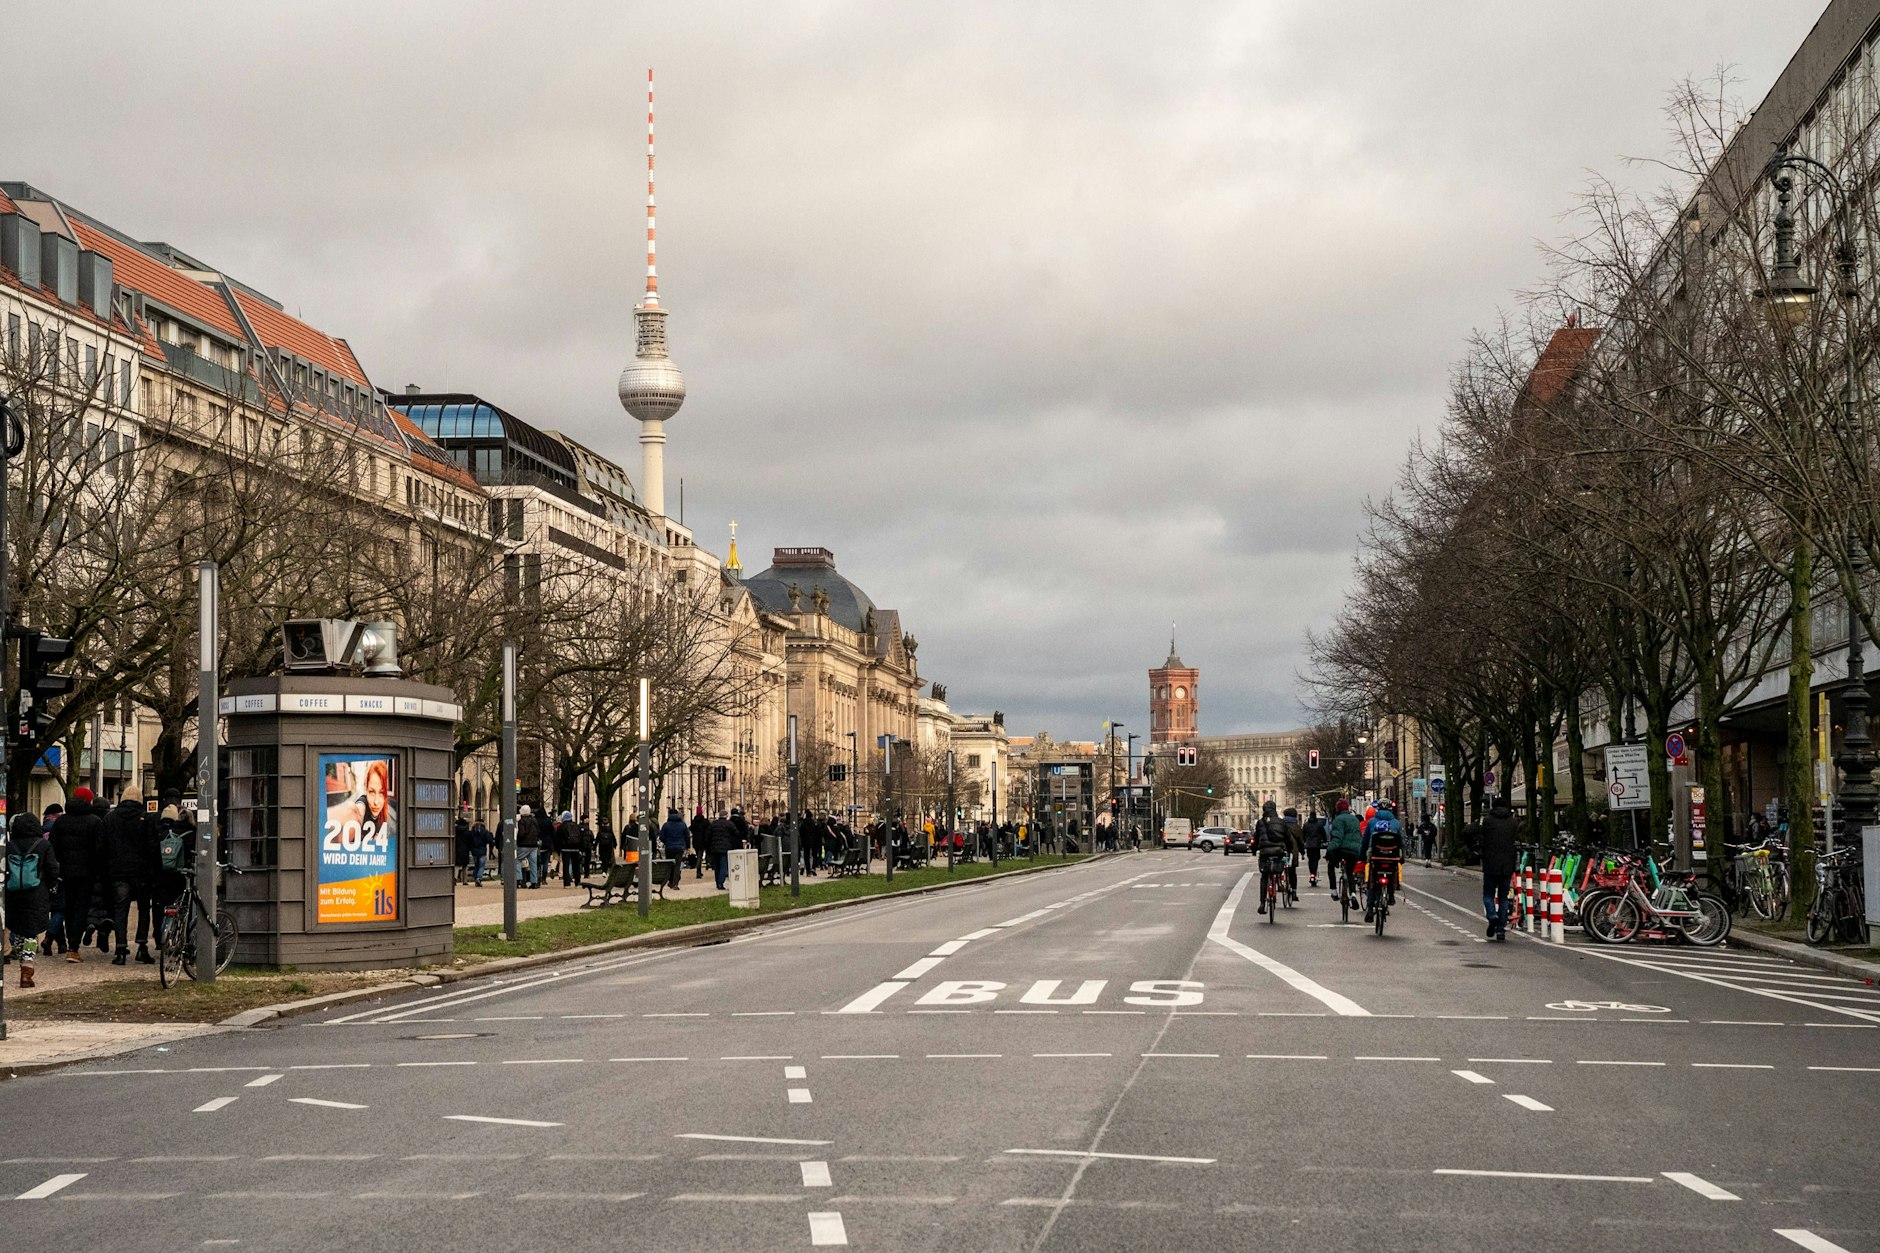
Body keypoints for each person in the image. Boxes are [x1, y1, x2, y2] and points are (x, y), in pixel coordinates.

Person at [102, 788, 158, 966]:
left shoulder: (110, 818)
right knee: (143, 909)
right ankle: (142, 946)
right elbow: (152, 847)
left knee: (121, 909)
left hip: (118, 871)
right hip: (142, 872)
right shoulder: (146, 818)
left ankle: (120, 949)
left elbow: (103, 845)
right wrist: (154, 869)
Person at [5, 812, 59, 989]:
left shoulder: (9, 845)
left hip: (13, 893)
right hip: (37, 892)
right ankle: (27, 969)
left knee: (18, 929)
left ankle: (22, 961)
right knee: (31, 931)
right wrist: (51, 887)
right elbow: (52, 869)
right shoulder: (43, 845)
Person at [52, 786, 104, 962]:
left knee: (69, 908)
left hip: (66, 871)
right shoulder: (94, 821)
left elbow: (54, 846)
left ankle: (69, 944)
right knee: (81, 908)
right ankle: (74, 947)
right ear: (88, 802)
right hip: (86, 872)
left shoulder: (61, 821)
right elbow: (99, 850)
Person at [1360, 799, 1406, 921]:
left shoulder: (1371, 822)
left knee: (1371, 880)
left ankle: (1370, 909)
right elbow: (1401, 842)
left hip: (1375, 855)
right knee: (1393, 871)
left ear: (1378, 808)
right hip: (1392, 855)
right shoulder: (1396, 823)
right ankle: (1391, 895)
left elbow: (1365, 841)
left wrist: (1362, 856)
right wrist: (1403, 857)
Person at [1480, 800, 1519, 940]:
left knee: (1488, 894)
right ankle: (1501, 929)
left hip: (1490, 863)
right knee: (1503, 897)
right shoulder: (1513, 822)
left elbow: (1475, 833)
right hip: (1507, 865)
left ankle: (1492, 915)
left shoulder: (1488, 821)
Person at [1252, 801, 1298, 914]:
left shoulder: (1260, 823)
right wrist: (1289, 849)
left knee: (1264, 876)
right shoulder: (1281, 822)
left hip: (1264, 852)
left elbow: (1256, 838)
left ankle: (1262, 904)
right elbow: (1287, 838)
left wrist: (1254, 850)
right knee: (1280, 864)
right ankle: (1279, 881)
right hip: (1279, 851)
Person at [1324, 797, 1363, 899]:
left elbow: (1337, 838)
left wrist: (1329, 851)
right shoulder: (1355, 819)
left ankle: (1334, 891)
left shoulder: (1338, 819)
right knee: (1350, 872)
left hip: (1342, 850)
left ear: (1338, 809)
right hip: (1354, 850)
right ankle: (1353, 894)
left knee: (1330, 866)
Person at [707, 808, 736, 890]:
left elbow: (708, 836)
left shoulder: (713, 824)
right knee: (724, 865)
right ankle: (720, 882)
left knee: (717, 866)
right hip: (725, 847)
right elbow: (736, 833)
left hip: (715, 848)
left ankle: (717, 882)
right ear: (726, 816)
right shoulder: (729, 824)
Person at [659, 808, 689, 883]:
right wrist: (687, 845)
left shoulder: (666, 825)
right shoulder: (683, 824)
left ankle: (670, 880)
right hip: (679, 847)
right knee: (677, 865)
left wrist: (666, 841)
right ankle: (675, 883)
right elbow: (687, 836)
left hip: (669, 847)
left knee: (669, 864)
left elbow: (661, 836)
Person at [515, 805, 540, 887]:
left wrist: (518, 840)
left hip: (523, 844)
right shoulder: (534, 820)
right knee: (533, 863)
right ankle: (534, 882)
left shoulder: (521, 821)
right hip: (533, 844)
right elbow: (538, 831)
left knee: (517, 860)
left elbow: (521, 833)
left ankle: (519, 879)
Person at [1301, 809, 1327, 887]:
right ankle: (1314, 874)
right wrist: (1324, 840)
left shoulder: (1306, 825)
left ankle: (1311, 874)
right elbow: (1323, 834)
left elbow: (1303, 835)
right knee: (1316, 859)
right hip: (1316, 845)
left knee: (1310, 859)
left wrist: (1304, 841)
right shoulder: (1319, 824)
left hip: (1308, 845)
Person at [468, 817, 495, 885]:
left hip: (474, 850)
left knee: (476, 865)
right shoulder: (485, 831)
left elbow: (469, 840)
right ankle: (478, 878)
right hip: (482, 850)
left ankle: (475, 877)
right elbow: (489, 840)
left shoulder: (472, 831)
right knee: (481, 866)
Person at [690, 807, 711, 878]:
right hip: (703, 841)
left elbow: (691, 829)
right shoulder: (705, 822)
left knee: (698, 855)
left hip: (696, 841)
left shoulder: (693, 822)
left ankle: (699, 871)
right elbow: (708, 831)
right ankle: (698, 871)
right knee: (700, 856)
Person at [453, 816, 472, 885]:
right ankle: (465, 880)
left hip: (457, 849)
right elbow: (470, 842)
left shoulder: (455, 832)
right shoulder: (467, 832)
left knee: (457, 865)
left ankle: (454, 878)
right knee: (465, 865)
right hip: (465, 849)